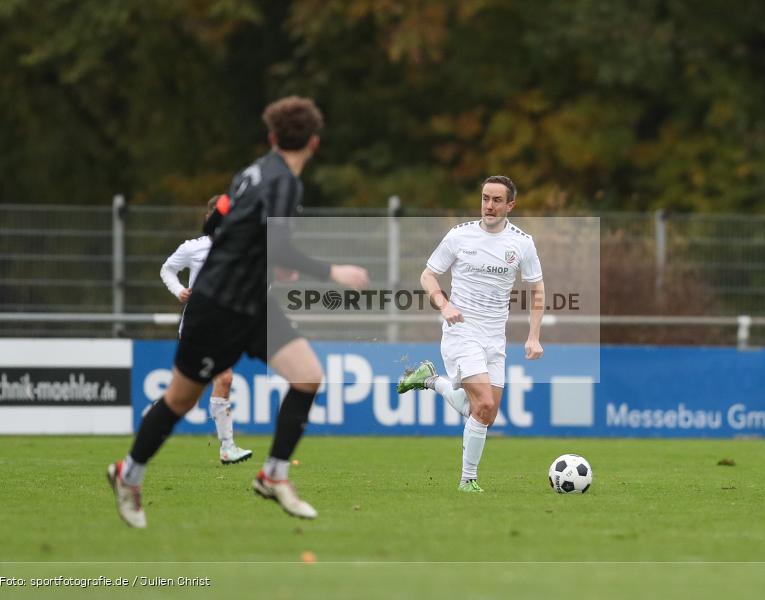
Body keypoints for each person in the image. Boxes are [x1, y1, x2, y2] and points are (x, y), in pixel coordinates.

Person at [107, 96, 369, 528]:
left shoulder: (250, 173)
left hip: (253, 303)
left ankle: (274, 475)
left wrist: (259, 257)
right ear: (316, 144)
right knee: (180, 400)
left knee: (307, 376)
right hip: (219, 306)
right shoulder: (284, 182)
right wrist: (331, 270)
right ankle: (128, 474)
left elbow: (222, 223)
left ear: (271, 137)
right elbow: (277, 243)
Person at [397, 175, 545, 493]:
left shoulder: (522, 243)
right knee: (485, 405)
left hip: (495, 339)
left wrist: (534, 336)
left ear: (510, 205)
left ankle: (430, 380)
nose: (488, 206)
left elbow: (538, 290)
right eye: (484, 198)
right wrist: (444, 304)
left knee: (483, 412)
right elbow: (427, 275)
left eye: (496, 200)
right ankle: (468, 480)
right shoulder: (459, 236)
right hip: (461, 332)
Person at [159, 196, 252, 465]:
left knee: (221, 380)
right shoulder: (193, 248)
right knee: (200, 387)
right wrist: (179, 290)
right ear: (208, 218)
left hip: (224, 325)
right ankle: (159, 416)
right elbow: (168, 269)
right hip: (198, 324)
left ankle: (226, 447)